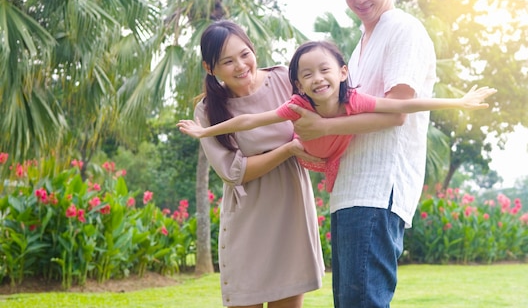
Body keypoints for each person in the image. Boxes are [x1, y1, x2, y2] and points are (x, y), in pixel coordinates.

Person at [289, 0, 440, 308]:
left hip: (378, 188)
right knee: (351, 307)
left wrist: (322, 126)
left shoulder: (403, 29)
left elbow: (397, 111)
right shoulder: (359, 46)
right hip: (351, 189)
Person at [178, 40, 495, 193]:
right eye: (307, 75)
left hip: (337, 155)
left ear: (344, 72)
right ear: (297, 84)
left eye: (325, 70)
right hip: (307, 155)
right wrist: (204, 132)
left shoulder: (355, 100)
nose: (317, 79)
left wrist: (458, 101)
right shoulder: (297, 106)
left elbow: (404, 106)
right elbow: (249, 121)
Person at [186, 20, 325, 308]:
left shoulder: (286, 81)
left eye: (244, 53)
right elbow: (233, 172)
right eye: (227, 61)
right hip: (248, 218)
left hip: (292, 211)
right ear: (210, 68)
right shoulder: (207, 110)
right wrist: (287, 149)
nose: (240, 66)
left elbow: (323, 117)